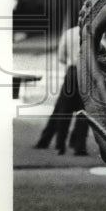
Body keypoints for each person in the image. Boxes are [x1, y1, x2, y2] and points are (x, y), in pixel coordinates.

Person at [33, 23, 90, 156]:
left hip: (72, 71)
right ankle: (79, 146)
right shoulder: (95, 33)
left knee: (63, 108)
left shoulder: (69, 33)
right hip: (87, 73)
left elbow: (61, 57)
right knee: (84, 110)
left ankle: (58, 143)